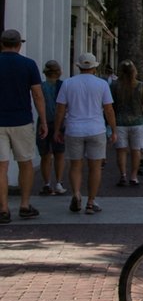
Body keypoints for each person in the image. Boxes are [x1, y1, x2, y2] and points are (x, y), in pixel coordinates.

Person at [54, 53, 116, 215]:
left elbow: (60, 109)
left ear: (78, 67)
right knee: (95, 167)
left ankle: (76, 193)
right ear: (94, 67)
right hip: (96, 129)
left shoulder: (68, 83)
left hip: (74, 129)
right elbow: (108, 109)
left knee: (75, 165)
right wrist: (114, 129)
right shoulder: (102, 84)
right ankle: (91, 202)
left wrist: (57, 129)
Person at [0, 29, 47, 223]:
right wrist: (43, 120)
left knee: (1, 167)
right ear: (19, 45)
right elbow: (37, 94)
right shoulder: (28, 64)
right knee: (26, 163)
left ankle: (3, 209)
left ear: (2, 44)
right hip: (22, 120)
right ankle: (25, 205)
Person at [111, 60, 143, 186]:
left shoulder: (114, 86)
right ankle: (134, 176)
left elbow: (110, 105)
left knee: (121, 150)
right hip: (137, 122)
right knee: (136, 150)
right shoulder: (141, 86)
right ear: (134, 71)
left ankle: (123, 175)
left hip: (119, 122)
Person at [37, 60, 67, 196]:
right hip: (59, 123)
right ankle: (59, 183)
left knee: (45, 155)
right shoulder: (63, 86)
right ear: (59, 72)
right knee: (59, 153)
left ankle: (47, 184)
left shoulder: (41, 86)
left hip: (43, 122)